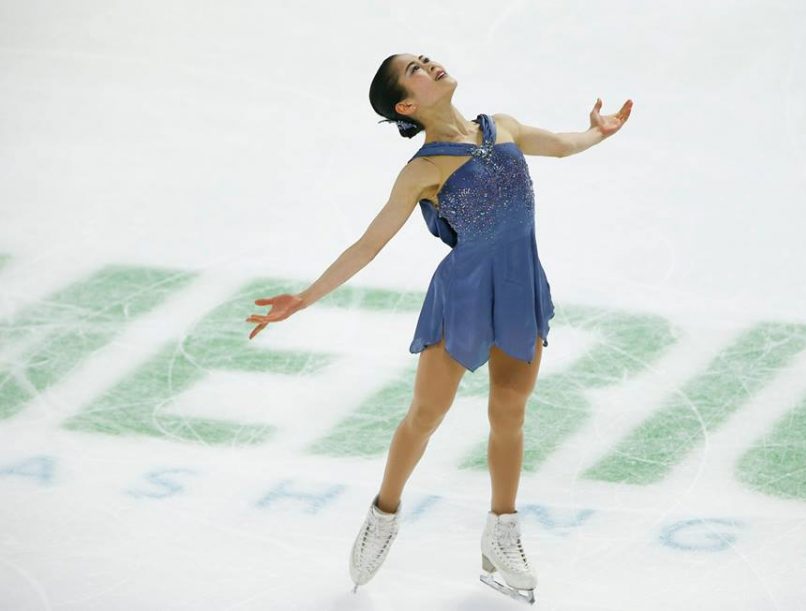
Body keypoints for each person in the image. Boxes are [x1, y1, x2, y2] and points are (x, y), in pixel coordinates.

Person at [245, 52, 632, 604]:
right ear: (406, 106)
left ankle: (501, 530)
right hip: (464, 294)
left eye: (426, 59)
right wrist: (305, 298)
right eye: (416, 70)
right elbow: (369, 244)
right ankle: (384, 514)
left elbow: (563, 145)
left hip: (520, 285)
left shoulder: (504, 127)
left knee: (509, 412)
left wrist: (597, 132)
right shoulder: (422, 171)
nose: (430, 64)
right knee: (426, 414)